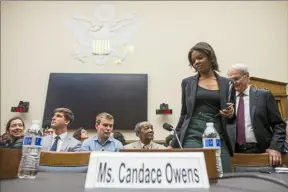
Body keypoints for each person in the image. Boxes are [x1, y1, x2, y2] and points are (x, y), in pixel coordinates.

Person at [170, 42, 235, 173]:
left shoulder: (227, 83)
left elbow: (231, 117)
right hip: (192, 135)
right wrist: (174, 142)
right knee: (193, 175)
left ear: (210, 57)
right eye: (193, 61)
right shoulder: (188, 83)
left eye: (200, 58)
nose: (196, 62)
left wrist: (231, 114)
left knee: (225, 176)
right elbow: (184, 114)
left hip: (217, 136)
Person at [227, 63, 286, 165]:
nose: (233, 83)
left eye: (236, 79)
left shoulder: (264, 95)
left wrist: (275, 147)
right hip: (234, 153)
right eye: (230, 81)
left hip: (262, 152)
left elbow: (279, 125)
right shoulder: (227, 99)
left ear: (247, 77)